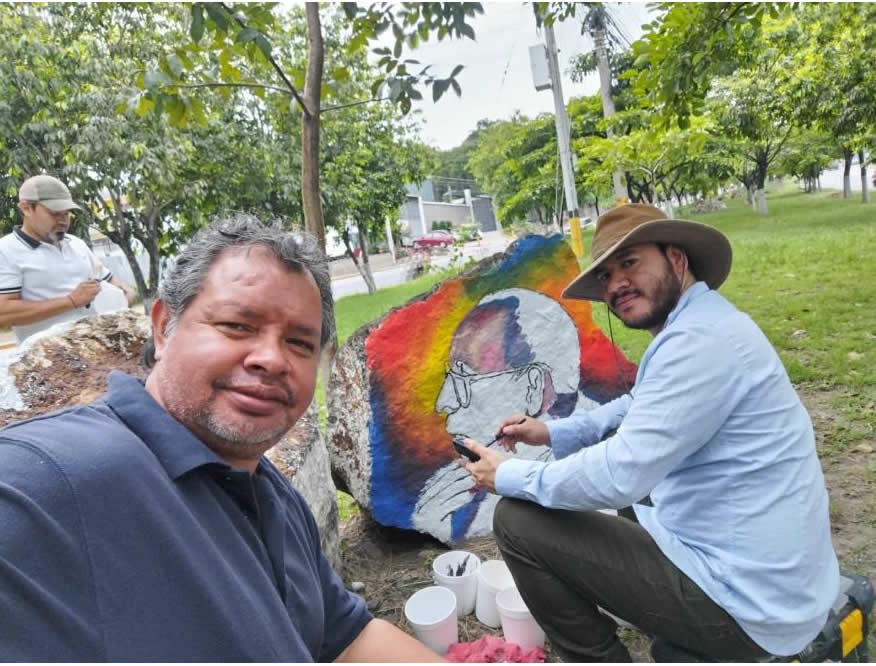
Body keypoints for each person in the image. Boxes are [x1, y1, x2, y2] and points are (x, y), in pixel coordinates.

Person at [0, 216, 443, 662]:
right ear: (162, 327)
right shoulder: (53, 479)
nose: (271, 359)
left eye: (299, 343)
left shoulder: (273, 496)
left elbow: (348, 639)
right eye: (236, 325)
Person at [459, 203, 839, 661]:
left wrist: (507, 475)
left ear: (676, 259)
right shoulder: (705, 323)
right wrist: (552, 432)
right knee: (605, 463)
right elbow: (636, 406)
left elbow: (621, 474)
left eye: (630, 262)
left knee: (517, 521)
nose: (616, 284)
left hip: (751, 604)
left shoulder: (697, 343)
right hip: (776, 579)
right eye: (606, 275)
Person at [414, 288, 598, 542]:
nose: (444, 403)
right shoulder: (455, 487)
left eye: (464, 379)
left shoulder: (592, 467)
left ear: (532, 387)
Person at [0, 174, 135, 343]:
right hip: (47, 360)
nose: (63, 219)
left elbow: (109, 280)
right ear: (26, 208)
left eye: (66, 213)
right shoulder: (6, 251)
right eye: (54, 212)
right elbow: (3, 313)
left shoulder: (76, 244)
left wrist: (126, 293)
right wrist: (70, 301)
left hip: (96, 349)